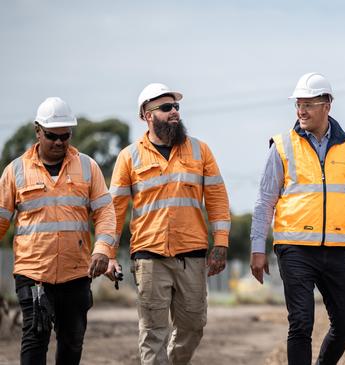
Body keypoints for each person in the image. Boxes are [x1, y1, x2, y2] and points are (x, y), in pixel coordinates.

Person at [250, 72, 345, 364]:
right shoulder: (283, 145)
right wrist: (257, 247)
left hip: (336, 250)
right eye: (298, 103)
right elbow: (264, 201)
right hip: (294, 248)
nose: (301, 110)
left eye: (309, 103)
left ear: (327, 105)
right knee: (301, 324)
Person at [109, 83, 231, 364]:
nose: (174, 112)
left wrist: (221, 243)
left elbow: (217, 200)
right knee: (153, 333)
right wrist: (107, 254)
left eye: (176, 107)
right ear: (146, 115)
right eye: (166, 108)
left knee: (193, 327)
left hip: (192, 254)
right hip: (149, 256)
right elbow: (113, 211)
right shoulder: (129, 157)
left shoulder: (201, 151)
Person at [0, 97, 117, 364]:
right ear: (37, 130)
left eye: (66, 136)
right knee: (34, 337)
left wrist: (102, 249)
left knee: (72, 341)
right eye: (52, 136)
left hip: (76, 273)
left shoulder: (87, 167)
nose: (60, 143)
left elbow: (105, 212)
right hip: (33, 273)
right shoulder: (15, 171)